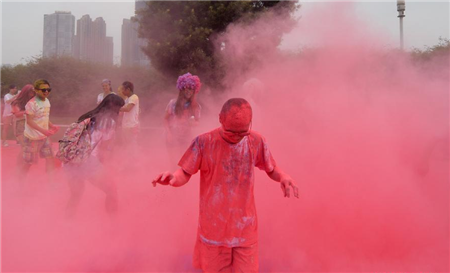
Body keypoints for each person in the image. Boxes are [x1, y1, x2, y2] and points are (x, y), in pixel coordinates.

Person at [153, 98, 299, 272]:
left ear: (250, 123)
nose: (237, 137)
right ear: (220, 118)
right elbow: (185, 172)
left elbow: (270, 168)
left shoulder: (256, 141)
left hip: (245, 228)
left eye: (242, 133)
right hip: (213, 229)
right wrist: (173, 179)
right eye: (231, 132)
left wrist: (283, 176)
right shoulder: (203, 142)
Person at [64, 94, 125, 217]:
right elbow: (103, 150)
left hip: (70, 159)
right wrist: (105, 167)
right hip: (88, 160)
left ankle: (67, 222)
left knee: (76, 194)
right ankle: (113, 223)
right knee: (111, 190)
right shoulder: (109, 122)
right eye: (119, 109)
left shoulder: (87, 116)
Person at [19, 79, 59, 176]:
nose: (46, 92)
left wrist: (51, 125)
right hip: (32, 138)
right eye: (43, 90)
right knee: (28, 163)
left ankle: (52, 183)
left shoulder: (47, 101)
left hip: (44, 138)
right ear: (36, 90)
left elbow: (44, 117)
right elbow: (29, 121)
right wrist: (44, 131)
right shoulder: (31, 104)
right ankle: (19, 181)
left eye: (48, 89)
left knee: (50, 158)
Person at [164, 72, 202, 164]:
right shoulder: (172, 103)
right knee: (173, 161)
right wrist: (168, 133)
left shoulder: (196, 107)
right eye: (186, 88)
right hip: (172, 135)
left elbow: (197, 122)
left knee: (183, 161)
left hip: (186, 137)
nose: (188, 91)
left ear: (194, 91)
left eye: (191, 89)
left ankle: (180, 177)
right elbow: (165, 119)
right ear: (181, 89)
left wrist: (193, 124)